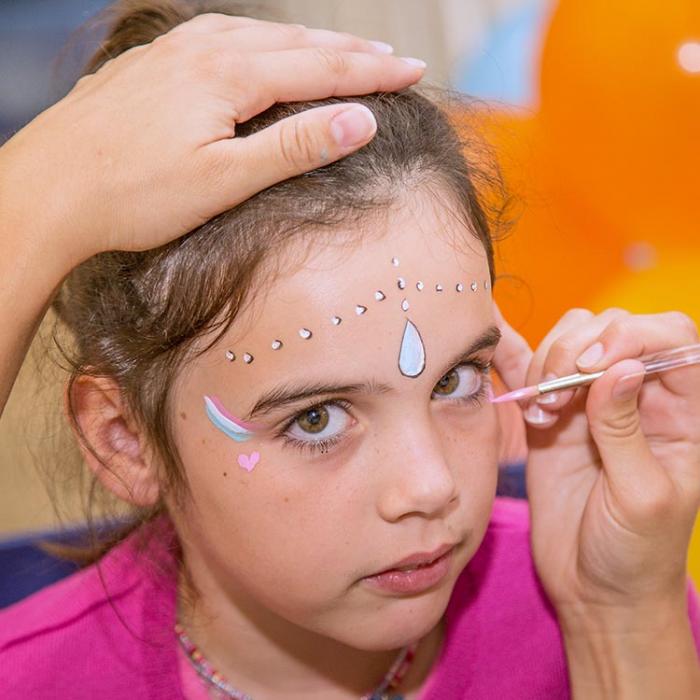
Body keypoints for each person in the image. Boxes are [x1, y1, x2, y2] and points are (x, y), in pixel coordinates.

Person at [0, 1, 698, 698]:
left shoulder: (619, 600)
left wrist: (618, 620)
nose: (430, 487)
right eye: (318, 419)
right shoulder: (34, 679)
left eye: (456, 380)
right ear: (125, 440)